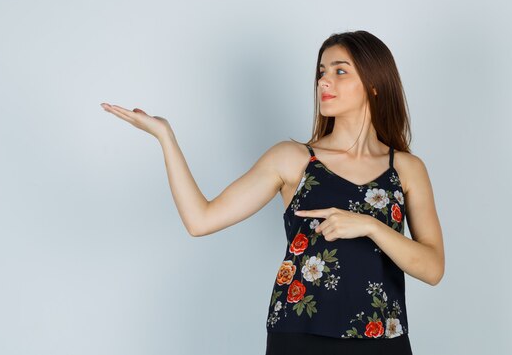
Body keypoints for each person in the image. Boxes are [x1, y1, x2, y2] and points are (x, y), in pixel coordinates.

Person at [100, 30, 444, 355]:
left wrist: (369, 225)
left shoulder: (406, 169)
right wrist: (166, 138)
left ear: (374, 84)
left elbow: (433, 268)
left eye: (340, 71)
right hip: (299, 337)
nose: (324, 80)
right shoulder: (293, 159)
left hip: (383, 338)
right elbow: (199, 220)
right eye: (322, 71)